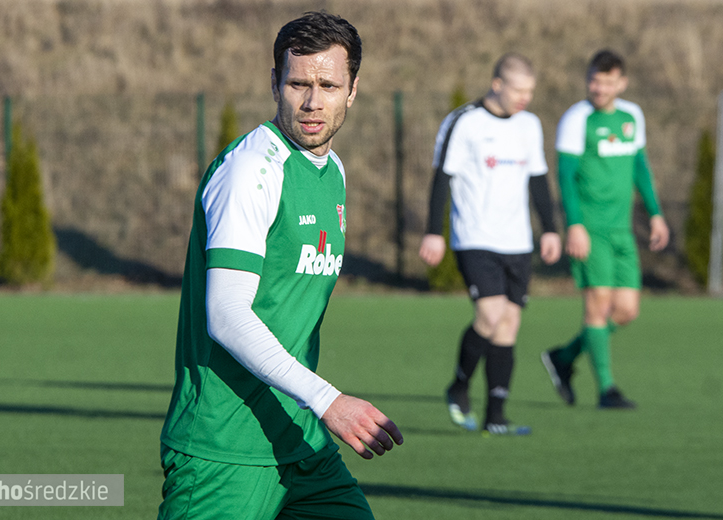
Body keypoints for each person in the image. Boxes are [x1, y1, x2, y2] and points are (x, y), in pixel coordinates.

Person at [157, 12, 402, 520]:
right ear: (275, 83)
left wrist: (314, 407)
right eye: (298, 83)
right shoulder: (251, 170)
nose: (313, 102)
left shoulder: (330, 171)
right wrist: (329, 400)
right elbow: (226, 313)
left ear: (353, 90)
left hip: (299, 441)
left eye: (329, 85)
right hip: (225, 448)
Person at [419, 53, 562, 436]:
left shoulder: (530, 125)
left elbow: (538, 179)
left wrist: (549, 228)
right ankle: (459, 386)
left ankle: (496, 417)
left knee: (509, 325)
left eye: (530, 91)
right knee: (491, 313)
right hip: (475, 237)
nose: (525, 98)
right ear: (497, 84)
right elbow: (442, 178)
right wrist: (434, 231)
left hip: (519, 241)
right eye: (519, 90)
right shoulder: (464, 122)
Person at [542, 49, 670, 409]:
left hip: (622, 230)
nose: (599, 88)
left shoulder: (632, 116)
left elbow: (640, 167)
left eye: (607, 82)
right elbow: (566, 177)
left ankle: (564, 357)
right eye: (594, 80)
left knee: (627, 310)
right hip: (591, 229)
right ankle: (607, 390)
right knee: (597, 306)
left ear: (621, 83)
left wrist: (656, 213)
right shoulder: (576, 119)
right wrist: (575, 226)